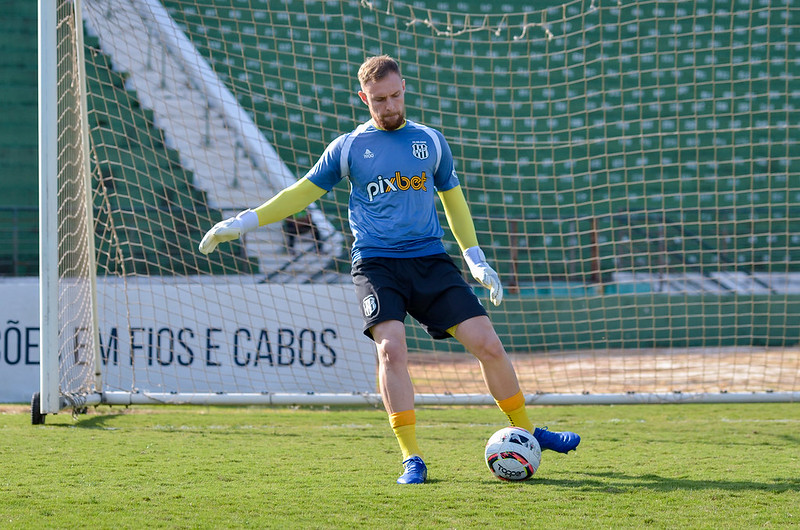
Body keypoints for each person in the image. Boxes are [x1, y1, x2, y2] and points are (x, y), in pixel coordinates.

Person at [199, 55, 580, 484]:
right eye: (379, 99)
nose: (390, 105)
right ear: (364, 98)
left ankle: (528, 430)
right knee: (391, 350)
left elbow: (454, 200)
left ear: (404, 89)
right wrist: (244, 222)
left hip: (430, 260)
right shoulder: (348, 148)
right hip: (377, 264)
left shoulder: (431, 142)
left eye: (396, 95)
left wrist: (474, 257)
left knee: (488, 343)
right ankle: (411, 457)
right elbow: (299, 194)